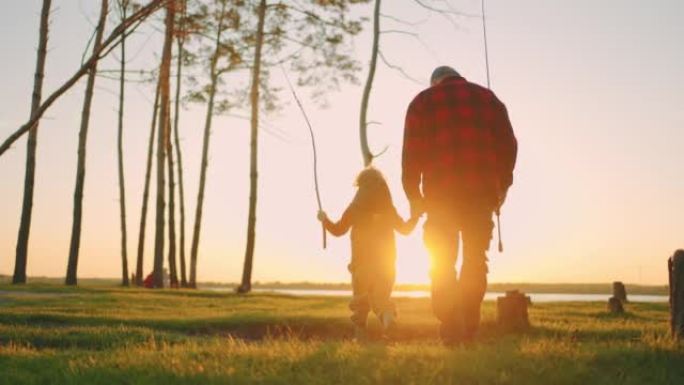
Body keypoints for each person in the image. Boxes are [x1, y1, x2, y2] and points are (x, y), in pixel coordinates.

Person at [402, 66, 518, 344]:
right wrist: (503, 185)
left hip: (440, 196)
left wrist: (414, 197)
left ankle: (451, 326)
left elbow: (411, 155)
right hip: (481, 195)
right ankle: (468, 325)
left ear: (434, 82)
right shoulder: (489, 99)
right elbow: (509, 147)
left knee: (441, 260)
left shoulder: (423, 101)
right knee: (475, 260)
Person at [317, 166, 420, 340]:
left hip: (362, 264)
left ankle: (361, 337)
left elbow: (338, 230)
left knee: (360, 302)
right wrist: (415, 217)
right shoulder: (388, 209)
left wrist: (324, 219)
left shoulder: (355, 208)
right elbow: (405, 230)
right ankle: (387, 320)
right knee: (381, 300)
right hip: (386, 265)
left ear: (360, 185)